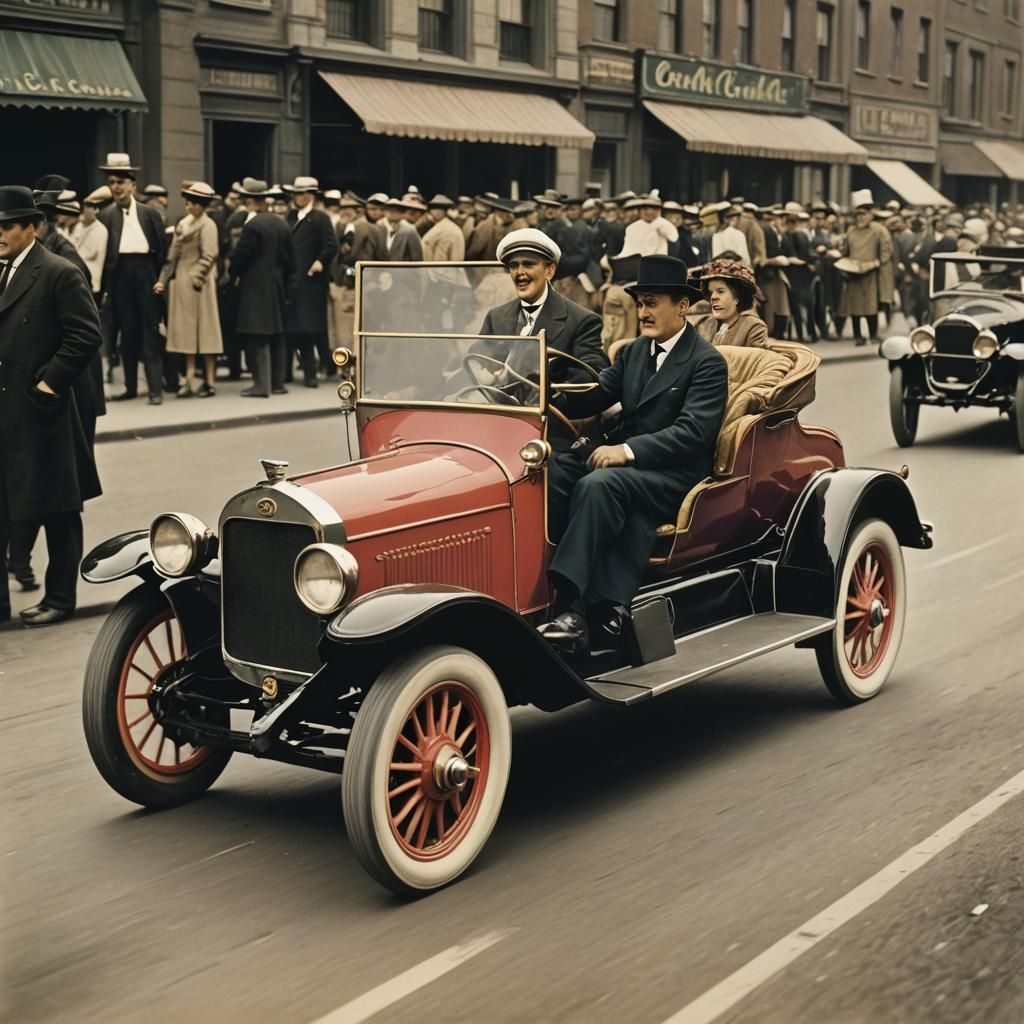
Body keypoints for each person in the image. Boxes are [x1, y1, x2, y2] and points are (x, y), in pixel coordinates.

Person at [538, 255, 728, 654]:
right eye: (640, 303)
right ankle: (538, 589)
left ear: (682, 306)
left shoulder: (707, 362)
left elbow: (692, 433)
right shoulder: (634, 352)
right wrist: (543, 393)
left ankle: (570, 607)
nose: (643, 312)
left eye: (652, 302)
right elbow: (596, 395)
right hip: (632, 469)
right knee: (550, 468)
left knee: (599, 485)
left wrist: (625, 450)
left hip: (676, 475)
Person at [0, 186, 103, 627]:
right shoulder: (2, 270)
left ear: (31, 227)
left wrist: (47, 384)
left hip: (43, 414)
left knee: (59, 509)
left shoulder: (59, 272)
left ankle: (60, 598)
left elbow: (86, 335)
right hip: (7, 411)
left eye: (6, 227)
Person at [475, 229, 606, 419]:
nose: (520, 273)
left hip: (546, 424)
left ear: (549, 270)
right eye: (513, 266)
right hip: (496, 418)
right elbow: (475, 360)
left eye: (528, 264)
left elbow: (592, 374)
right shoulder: (496, 316)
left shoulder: (582, 320)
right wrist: (484, 374)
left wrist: (547, 380)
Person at [97, 152, 172, 404]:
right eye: (112, 183)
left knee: (150, 330)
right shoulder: (106, 216)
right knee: (127, 332)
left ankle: (155, 390)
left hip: (146, 274)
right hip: (119, 278)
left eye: (121, 182)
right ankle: (130, 387)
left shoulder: (149, 214)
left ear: (133, 185)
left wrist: (157, 279)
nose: (116, 187)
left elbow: (162, 249)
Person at [229, 177, 296, 397]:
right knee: (276, 335)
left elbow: (240, 257)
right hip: (276, 285)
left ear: (250, 200)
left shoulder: (253, 226)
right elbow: (290, 260)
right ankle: (277, 383)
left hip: (255, 287)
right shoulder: (281, 223)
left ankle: (261, 385)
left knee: (257, 336)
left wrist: (233, 274)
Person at [154, 181, 223, 397]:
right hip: (182, 283)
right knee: (185, 335)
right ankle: (189, 379)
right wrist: (163, 280)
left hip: (200, 284)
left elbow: (210, 254)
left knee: (206, 331)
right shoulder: (182, 224)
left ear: (204, 205)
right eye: (189, 203)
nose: (190, 207)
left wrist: (196, 276)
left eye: (195, 203)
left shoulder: (208, 225)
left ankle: (209, 381)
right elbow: (172, 257)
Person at [284, 176, 339, 387]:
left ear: (311, 195)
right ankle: (285, 374)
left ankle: (310, 374)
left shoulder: (320, 218)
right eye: (297, 193)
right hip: (291, 279)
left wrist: (319, 262)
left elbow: (330, 245)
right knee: (290, 328)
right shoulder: (290, 217)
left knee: (307, 329)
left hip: (310, 281)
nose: (299, 197)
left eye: (303, 193)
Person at [835, 189, 892, 346]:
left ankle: (873, 334)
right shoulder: (851, 230)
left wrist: (878, 263)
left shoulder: (879, 230)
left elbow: (886, 250)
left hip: (871, 272)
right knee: (854, 306)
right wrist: (842, 254)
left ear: (871, 214)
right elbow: (845, 250)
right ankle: (858, 336)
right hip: (853, 272)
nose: (860, 217)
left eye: (864, 213)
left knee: (870, 305)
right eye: (858, 214)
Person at [696, 259, 768, 347]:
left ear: (737, 298)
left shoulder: (753, 327)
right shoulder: (704, 324)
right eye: (711, 293)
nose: (713, 297)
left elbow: (754, 359)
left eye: (720, 291)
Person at [421, 195, 466, 262]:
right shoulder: (442, 226)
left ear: (443, 211)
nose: (432, 212)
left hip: (442, 270)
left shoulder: (446, 229)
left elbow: (440, 258)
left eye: (435, 208)